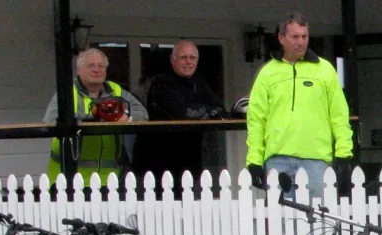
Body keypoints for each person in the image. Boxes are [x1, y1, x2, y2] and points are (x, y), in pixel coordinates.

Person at [246, 12, 353, 200]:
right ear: (281, 38)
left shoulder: (325, 70)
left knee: (316, 222)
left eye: (304, 36)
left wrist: (344, 153)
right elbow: (256, 121)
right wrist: (254, 161)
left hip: (316, 160)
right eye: (295, 37)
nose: (301, 42)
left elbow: (339, 114)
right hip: (277, 159)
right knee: (282, 224)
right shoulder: (267, 73)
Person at [133, 40, 228, 198]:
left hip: (190, 156)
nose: (189, 61)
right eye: (184, 57)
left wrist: (201, 112)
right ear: (173, 59)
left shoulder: (199, 82)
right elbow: (181, 114)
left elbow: (220, 110)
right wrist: (205, 112)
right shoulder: (162, 82)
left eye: (192, 57)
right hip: (159, 160)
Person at [43, 48, 148, 188]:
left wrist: (127, 118)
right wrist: (93, 119)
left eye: (101, 66)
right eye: (91, 66)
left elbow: (142, 113)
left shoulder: (115, 90)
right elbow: (50, 121)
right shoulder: (68, 91)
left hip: (109, 180)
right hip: (69, 180)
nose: (97, 70)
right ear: (79, 70)